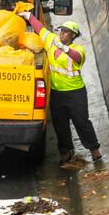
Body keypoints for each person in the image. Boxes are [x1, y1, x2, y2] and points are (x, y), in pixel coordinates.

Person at [17, 11, 102, 164]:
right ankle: (66, 151)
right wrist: (28, 16)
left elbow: (77, 58)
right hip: (57, 92)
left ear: (73, 36)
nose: (62, 34)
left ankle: (94, 149)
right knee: (60, 123)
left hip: (75, 93)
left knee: (81, 121)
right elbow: (40, 29)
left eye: (66, 32)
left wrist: (65, 49)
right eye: (61, 30)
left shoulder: (78, 49)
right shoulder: (52, 41)